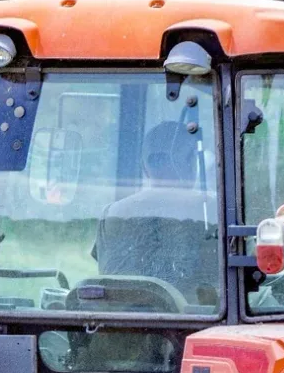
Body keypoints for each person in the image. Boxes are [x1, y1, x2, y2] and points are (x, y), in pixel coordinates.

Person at [92, 121, 216, 303]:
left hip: (119, 323)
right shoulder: (209, 209)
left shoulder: (111, 213)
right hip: (194, 322)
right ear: (190, 162)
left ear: (144, 165)